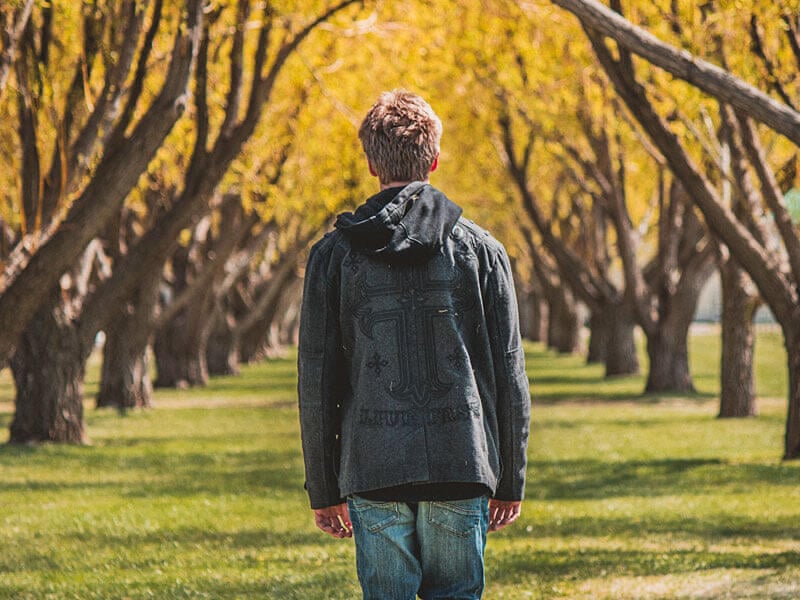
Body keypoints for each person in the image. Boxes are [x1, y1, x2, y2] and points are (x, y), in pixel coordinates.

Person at [298, 89, 531, 600]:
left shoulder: (333, 257)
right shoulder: (483, 252)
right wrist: (509, 476)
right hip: (461, 462)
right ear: (435, 158)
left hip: (371, 465)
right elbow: (509, 369)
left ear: (370, 163)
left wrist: (324, 485)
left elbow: (316, 379)